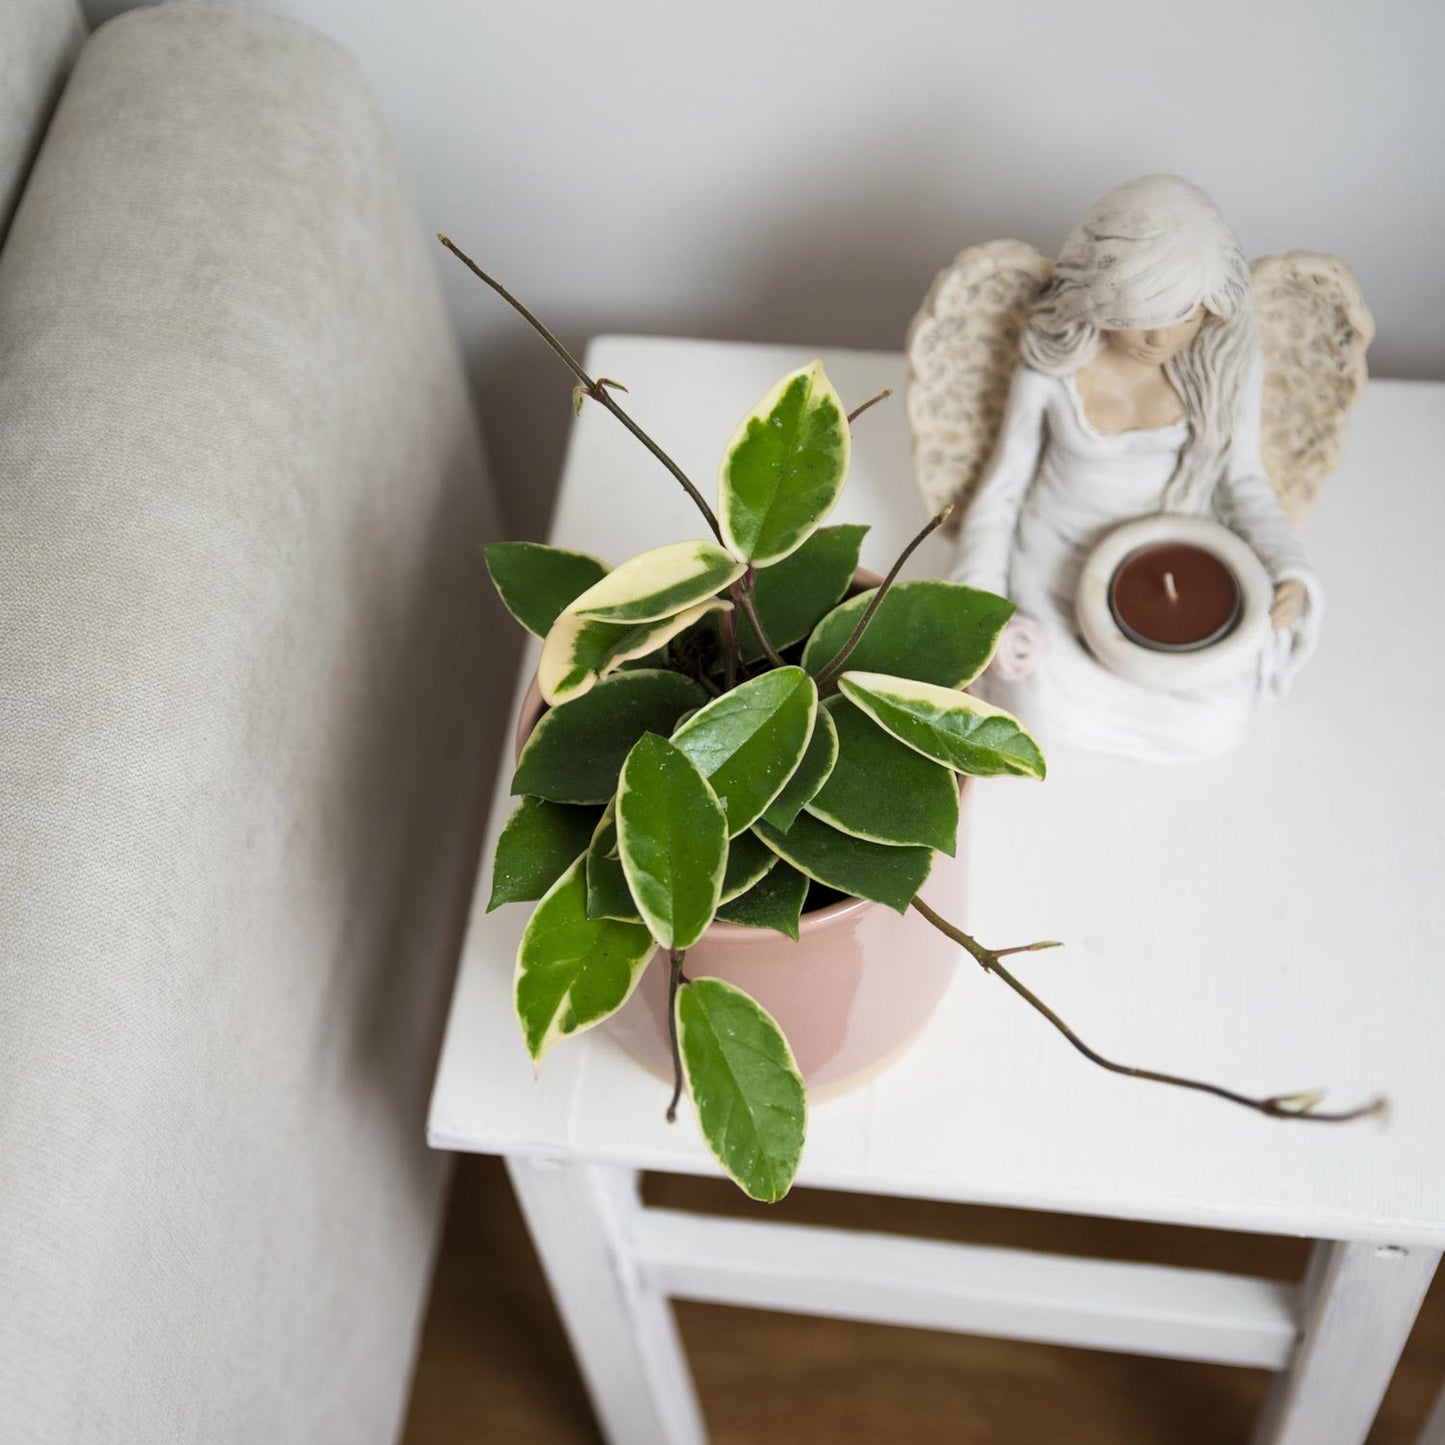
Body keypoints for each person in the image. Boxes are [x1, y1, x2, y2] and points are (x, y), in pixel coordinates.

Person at [949, 175, 1321, 761]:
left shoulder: (1225, 371)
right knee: (1037, 698)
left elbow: (1245, 482)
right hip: (1056, 562)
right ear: (1101, 291)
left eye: (1185, 313)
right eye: (1141, 312)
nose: (1158, 338)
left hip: (1176, 557)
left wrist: (1289, 570)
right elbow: (1001, 496)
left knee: (1218, 716)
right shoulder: (1051, 368)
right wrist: (984, 613)